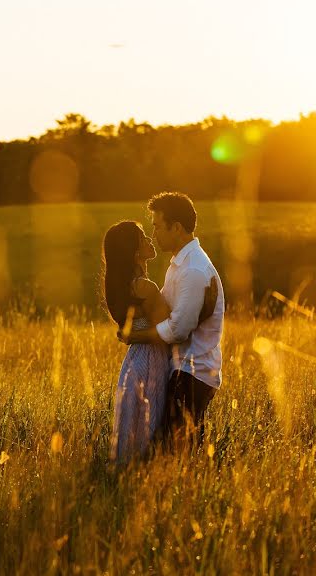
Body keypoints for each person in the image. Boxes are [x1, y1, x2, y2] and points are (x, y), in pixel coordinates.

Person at [103, 220, 216, 463]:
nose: (150, 239)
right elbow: (172, 329)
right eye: (143, 237)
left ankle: (129, 475)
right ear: (135, 253)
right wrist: (204, 309)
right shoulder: (146, 288)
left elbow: (138, 328)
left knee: (134, 426)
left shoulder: (130, 288)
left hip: (135, 359)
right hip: (152, 359)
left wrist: (134, 334)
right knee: (149, 423)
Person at [119, 192, 225, 448]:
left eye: (157, 226)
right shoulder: (180, 265)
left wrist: (137, 336)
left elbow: (178, 329)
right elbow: (163, 311)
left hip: (193, 373)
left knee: (177, 452)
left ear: (176, 228)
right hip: (183, 371)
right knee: (174, 448)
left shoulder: (193, 270)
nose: (154, 234)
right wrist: (133, 327)